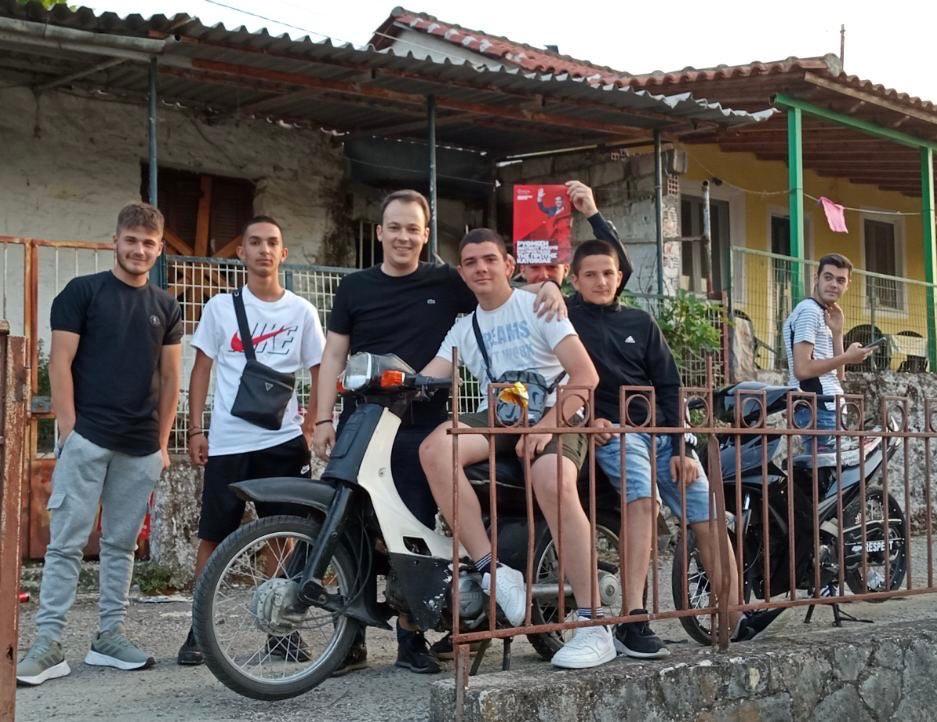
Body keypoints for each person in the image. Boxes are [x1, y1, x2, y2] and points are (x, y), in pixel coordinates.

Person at [312, 190, 565, 674]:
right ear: (379, 232)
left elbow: (498, 287)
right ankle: (350, 638)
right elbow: (334, 355)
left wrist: (549, 288)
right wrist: (322, 418)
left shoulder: (447, 280)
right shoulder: (354, 287)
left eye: (413, 228)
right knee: (351, 526)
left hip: (421, 424)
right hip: (362, 420)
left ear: (425, 235)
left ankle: (411, 638)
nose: (403, 236)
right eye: (395, 227)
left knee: (415, 528)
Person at [419, 228, 617, 670]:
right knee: (435, 449)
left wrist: (546, 426)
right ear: (462, 273)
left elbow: (585, 376)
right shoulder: (464, 327)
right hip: (503, 415)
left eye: (490, 259)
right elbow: (429, 375)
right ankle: (493, 570)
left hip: (557, 411)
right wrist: (377, 377)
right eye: (471, 262)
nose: (481, 268)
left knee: (551, 478)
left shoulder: (539, 306)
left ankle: (594, 624)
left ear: (508, 265)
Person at [17, 203, 182, 686]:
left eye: (148, 243)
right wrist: (69, 430)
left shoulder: (166, 306)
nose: (139, 250)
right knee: (66, 545)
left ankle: (109, 637)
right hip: (87, 439)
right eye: (131, 240)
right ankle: (48, 644)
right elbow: (60, 363)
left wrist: (161, 444)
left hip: (140, 447)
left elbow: (171, 379)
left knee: (120, 546)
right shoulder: (82, 292)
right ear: (115, 241)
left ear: (159, 248)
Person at [566, 238, 753, 658]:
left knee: (707, 511)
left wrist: (683, 447)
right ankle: (633, 619)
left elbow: (669, 386)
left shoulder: (641, 322)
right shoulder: (566, 320)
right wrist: (585, 419)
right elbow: (556, 375)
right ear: (574, 279)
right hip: (615, 431)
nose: (600, 281)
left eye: (608, 273)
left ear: (620, 277)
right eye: (590, 274)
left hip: (662, 432)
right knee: (642, 499)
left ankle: (734, 617)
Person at [176, 216, 325, 665]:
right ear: (241, 252)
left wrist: (311, 423)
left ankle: (280, 632)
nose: (264, 250)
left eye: (272, 243)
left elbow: (321, 369)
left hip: (282, 443)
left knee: (282, 537)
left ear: (283, 253)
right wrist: (196, 429)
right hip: (228, 443)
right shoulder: (220, 308)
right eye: (254, 242)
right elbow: (201, 369)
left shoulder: (302, 311)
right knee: (213, 537)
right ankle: (198, 631)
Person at [783, 253, 871, 450]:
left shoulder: (823, 313)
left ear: (847, 285)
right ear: (816, 278)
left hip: (828, 407)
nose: (833, 285)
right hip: (818, 407)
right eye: (828, 277)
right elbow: (802, 369)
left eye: (840, 280)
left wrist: (837, 332)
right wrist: (847, 357)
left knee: (831, 468)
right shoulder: (809, 312)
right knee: (825, 468)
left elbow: (838, 375)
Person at [518, 180, 632, 289]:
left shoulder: (579, 302)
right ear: (522, 269)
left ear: (566, 269)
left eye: (552, 267)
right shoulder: (511, 301)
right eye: (534, 267)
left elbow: (621, 267)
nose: (544, 275)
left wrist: (593, 214)